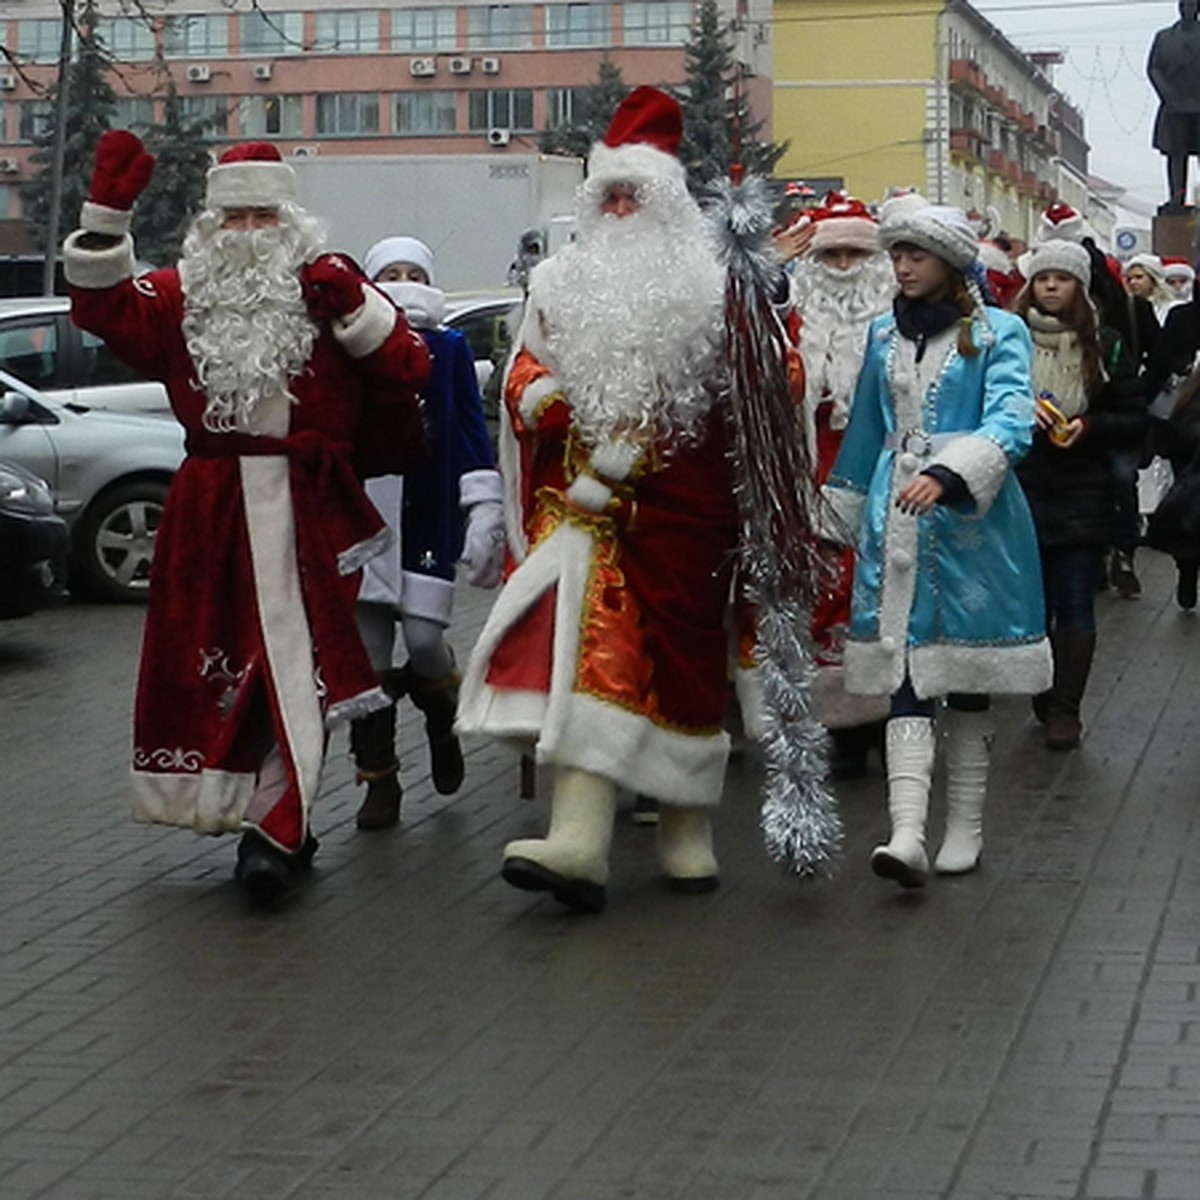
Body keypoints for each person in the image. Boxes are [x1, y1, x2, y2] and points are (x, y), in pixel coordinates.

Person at [64, 136, 431, 903]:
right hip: (211, 507)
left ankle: (278, 827)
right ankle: (253, 809)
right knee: (223, 665)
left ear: (289, 218)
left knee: (300, 666)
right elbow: (103, 309)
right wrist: (105, 221)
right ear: (210, 226)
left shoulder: (327, 293)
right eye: (234, 216)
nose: (250, 231)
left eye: (264, 214)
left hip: (308, 503)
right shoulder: (178, 299)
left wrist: (360, 305)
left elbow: (405, 366)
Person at [456, 86, 741, 913]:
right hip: (587, 518)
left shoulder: (713, 292)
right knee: (594, 663)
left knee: (688, 674)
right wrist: (541, 398)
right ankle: (580, 841)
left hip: (686, 521)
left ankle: (688, 829)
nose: (619, 209)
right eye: (607, 196)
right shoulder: (559, 283)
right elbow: (521, 371)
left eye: (634, 195)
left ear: (669, 204)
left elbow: (764, 401)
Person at [822, 202, 1051, 888]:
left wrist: (953, 474)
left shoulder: (999, 332)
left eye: (916, 255)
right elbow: (865, 429)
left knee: (969, 679)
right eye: (897, 255)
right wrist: (839, 513)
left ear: (951, 263)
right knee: (903, 675)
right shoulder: (880, 336)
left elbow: (1013, 418)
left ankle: (966, 828)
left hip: (976, 530)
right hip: (893, 523)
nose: (902, 267)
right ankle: (905, 834)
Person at [348, 236, 505, 829]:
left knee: (421, 643)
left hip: (428, 513)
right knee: (366, 664)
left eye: (415, 272)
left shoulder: (450, 347)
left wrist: (482, 504)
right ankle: (378, 781)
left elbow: (469, 426)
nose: (405, 281)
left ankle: (441, 709)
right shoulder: (347, 349)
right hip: (364, 517)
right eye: (392, 272)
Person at [1013, 241, 1147, 749]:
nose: (1050, 286)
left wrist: (1088, 426)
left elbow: (1133, 418)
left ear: (1079, 286)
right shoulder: (1010, 338)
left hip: (1082, 487)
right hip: (1021, 484)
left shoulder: (1105, 343)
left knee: (1073, 601)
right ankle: (1043, 691)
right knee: (1032, 606)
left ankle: (1066, 707)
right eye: (1042, 277)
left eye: (1062, 278)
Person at [789, 192, 894, 778]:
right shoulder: (794, 322)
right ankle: (837, 726)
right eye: (832, 256)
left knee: (876, 595)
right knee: (824, 595)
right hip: (812, 479)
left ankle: (888, 717)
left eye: (857, 253)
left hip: (884, 478)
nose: (846, 267)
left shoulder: (897, 320)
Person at [1143, 278, 1200, 609]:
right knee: (1189, 497)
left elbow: (1159, 363)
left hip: (1186, 423)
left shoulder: (1182, 316)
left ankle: (1188, 564)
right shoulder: (1182, 317)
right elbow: (1161, 362)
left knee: (1188, 497)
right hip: (1190, 421)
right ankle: (1188, 565)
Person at [1148, 0, 1200, 211]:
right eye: (1185, 5)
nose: (1188, 9)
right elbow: (1154, 68)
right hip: (1173, 106)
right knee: (1175, 154)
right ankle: (1176, 198)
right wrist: (1168, 95)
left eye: (1193, 5)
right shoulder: (1164, 37)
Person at [1124, 253, 1178, 325]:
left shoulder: (1173, 308)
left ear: (1153, 279)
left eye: (1139, 277)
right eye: (1129, 279)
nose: (1132, 282)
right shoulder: (1129, 311)